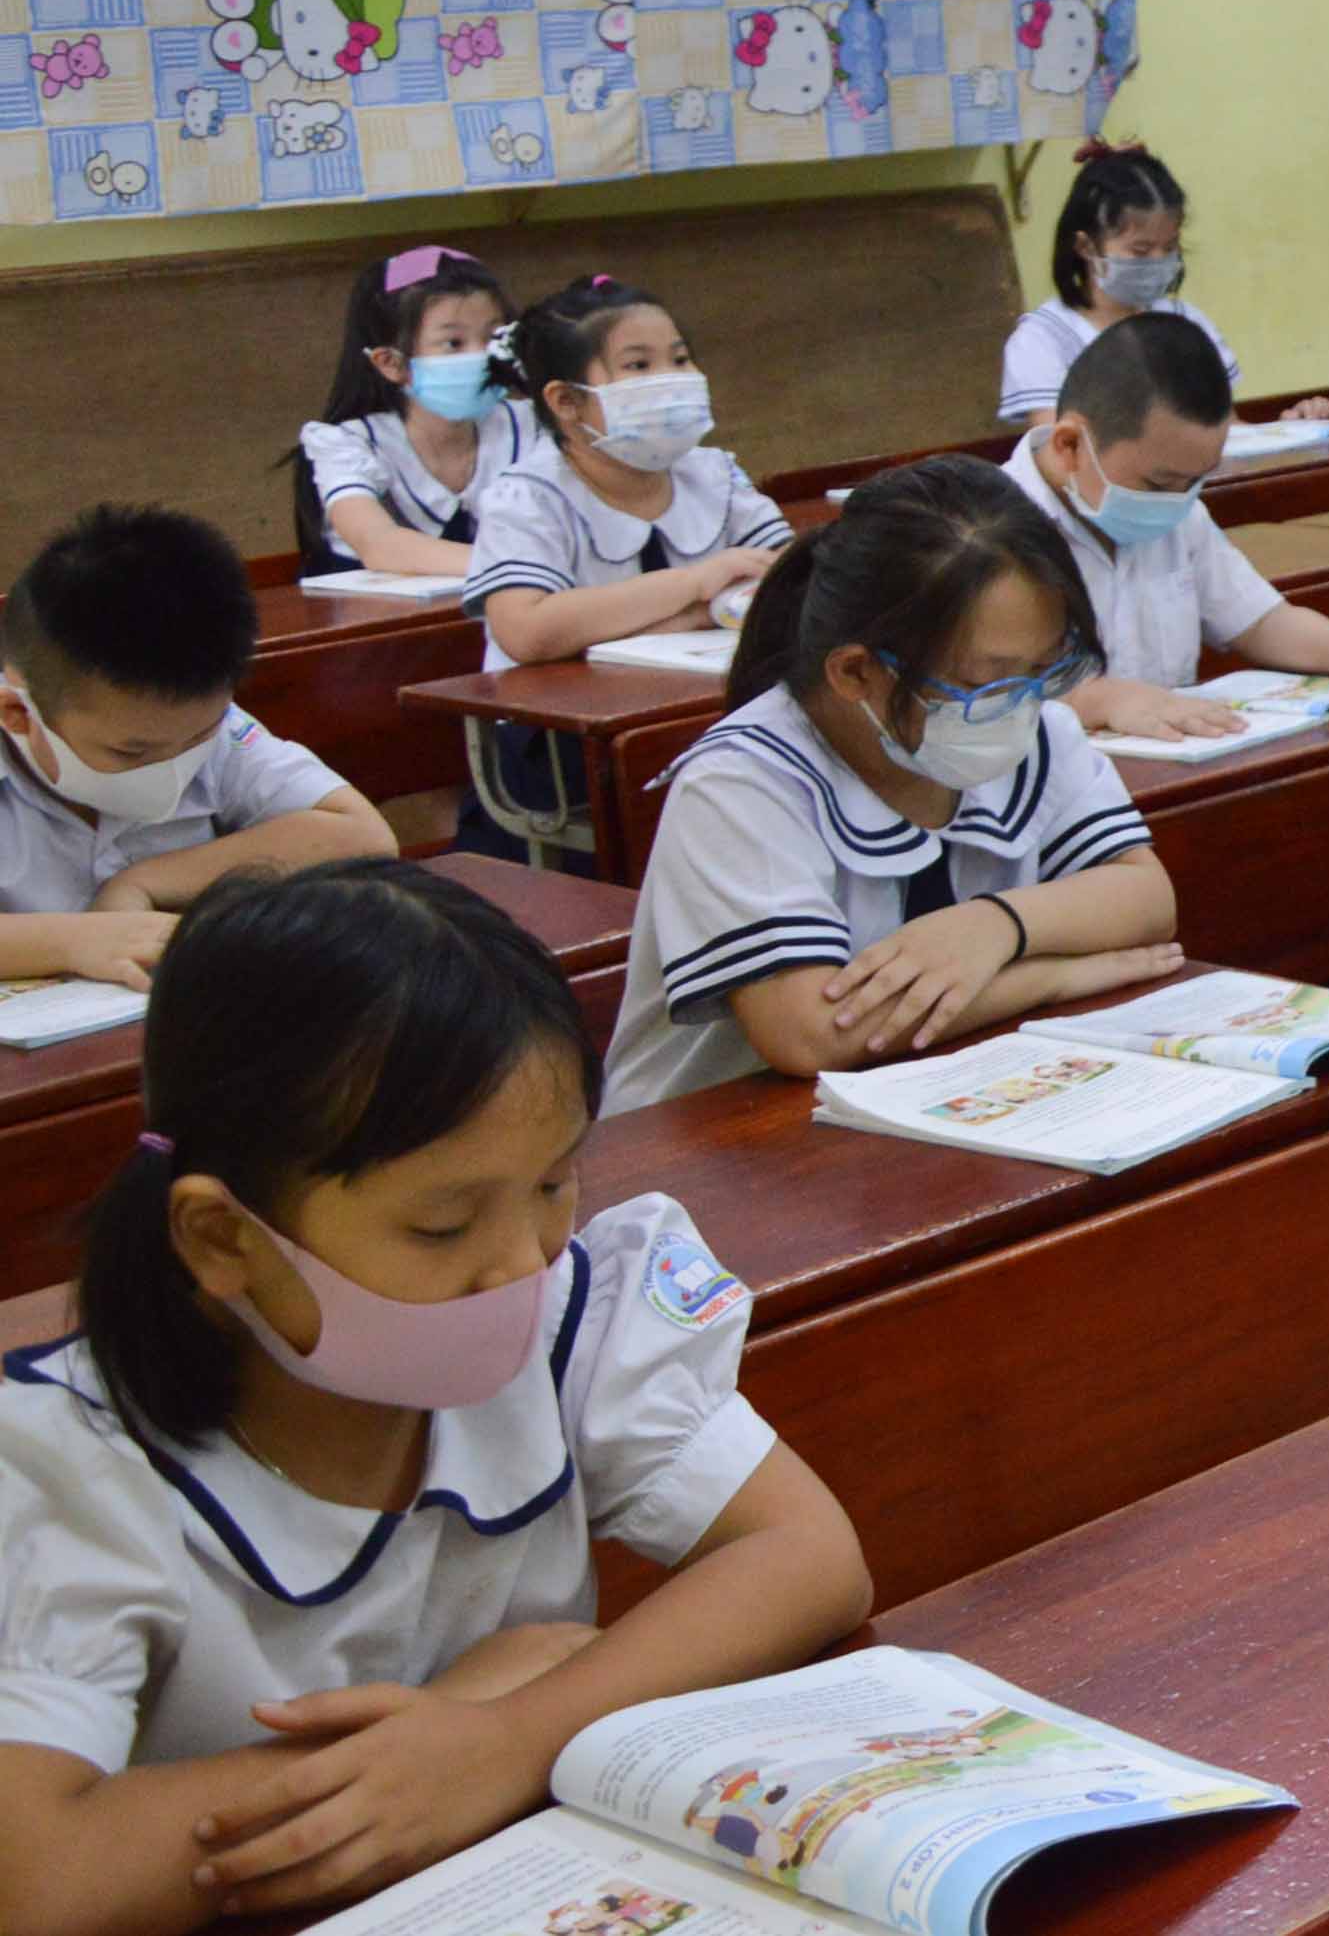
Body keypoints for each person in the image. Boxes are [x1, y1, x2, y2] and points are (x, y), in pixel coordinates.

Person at [0, 860, 872, 1927]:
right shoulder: (65, 1464)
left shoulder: (569, 1321)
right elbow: (37, 1879)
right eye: (443, 1227)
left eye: (554, 1184)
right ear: (225, 1238)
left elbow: (810, 1556)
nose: (521, 1264)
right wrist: (456, 1715)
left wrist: (514, 1738)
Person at [605, 457, 1180, 1111]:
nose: (1021, 703)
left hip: (930, 1093)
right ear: (855, 673)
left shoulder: (1034, 728)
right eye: (982, 681)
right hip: (717, 1149)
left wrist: (995, 929)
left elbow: (1145, 895)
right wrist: (1049, 977)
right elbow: (812, 1035)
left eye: (1046, 668)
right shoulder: (742, 782)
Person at [461, 280, 793, 863]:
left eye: (681, 359)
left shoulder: (714, 473)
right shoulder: (527, 495)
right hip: (566, 754)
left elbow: (789, 577)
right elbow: (525, 629)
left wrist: (703, 608)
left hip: (710, 708)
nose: (672, 378)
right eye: (638, 365)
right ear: (566, 401)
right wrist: (692, 587)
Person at [0, 508, 391, 995]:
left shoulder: (204, 724)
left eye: (196, 740)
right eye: (131, 751)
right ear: (17, 713)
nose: (173, 767)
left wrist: (142, 882)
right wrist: (75, 941)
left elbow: (362, 836)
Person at [1000, 315, 1329, 740]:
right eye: (1160, 482)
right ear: (1069, 444)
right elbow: (974, 699)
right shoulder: (987, 533)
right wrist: (1098, 702)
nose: (1176, 500)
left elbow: (1258, 621)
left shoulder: (1177, 509)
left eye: (1196, 481)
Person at [996, 144, 1311, 426]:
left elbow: (1224, 431)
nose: (1159, 261)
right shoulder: (1044, 339)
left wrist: (1291, 430)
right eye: (1141, 250)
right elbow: (1060, 452)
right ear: (1086, 247)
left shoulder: (1186, 322)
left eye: (1170, 246)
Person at [288, 247, 545, 576]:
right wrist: (526, 565)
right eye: (454, 343)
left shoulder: (529, 424)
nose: (483, 356)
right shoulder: (348, 444)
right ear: (391, 363)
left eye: (493, 336)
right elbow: (381, 546)